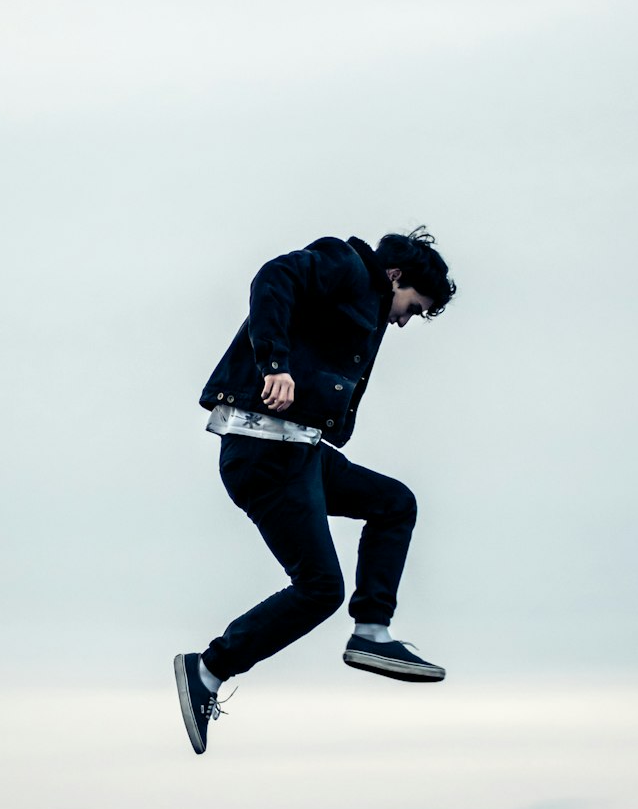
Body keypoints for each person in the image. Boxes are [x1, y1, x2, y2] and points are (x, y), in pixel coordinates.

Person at [174, 227, 456, 754]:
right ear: (396, 276)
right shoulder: (344, 264)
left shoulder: (363, 302)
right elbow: (272, 279)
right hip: (265, 451)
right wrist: (273, 363)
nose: (404, 320)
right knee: (320, 587)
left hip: (298, 452)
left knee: (394, 503)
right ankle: (209, 668)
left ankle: (371, 633)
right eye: (413, 307)